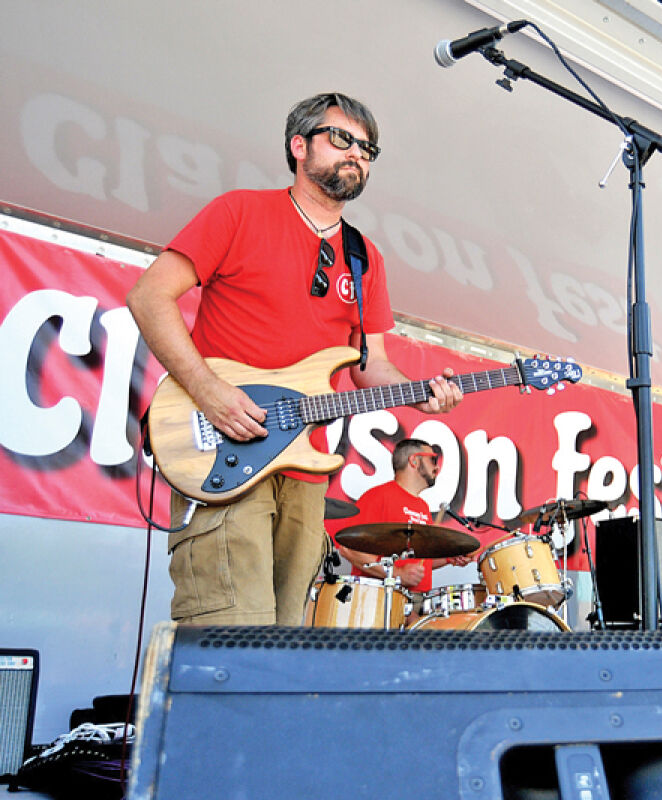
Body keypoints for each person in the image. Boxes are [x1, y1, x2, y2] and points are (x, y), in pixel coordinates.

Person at [126, 92, 463, 625]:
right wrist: (209, 391)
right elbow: (148, 297)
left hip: (306, 467)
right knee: (228, 628)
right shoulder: (240, 211)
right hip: (228, 446)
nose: (357, 153)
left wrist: (425, 396)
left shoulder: (364, 256)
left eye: (368, 148)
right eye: (342, 139)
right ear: (299, 145)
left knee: (284, 637)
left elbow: (368, 365)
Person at [332, 439, 474, 592]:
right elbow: (348, 548)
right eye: (433, 459)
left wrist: (448, 558)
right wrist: (397, 574)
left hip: (417, 601)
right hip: (383, 601)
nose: (437, 466)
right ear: (414, 461)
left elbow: (418, 563)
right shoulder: (378, 496)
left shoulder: (423, 507)